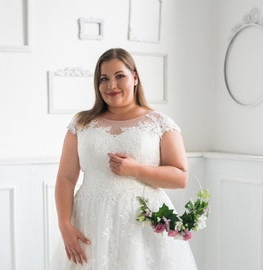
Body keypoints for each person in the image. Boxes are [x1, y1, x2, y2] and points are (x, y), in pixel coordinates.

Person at [54, 48, 198, 269]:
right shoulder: (81, 123)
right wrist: (65, 226)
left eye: (119, 76)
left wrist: (135, 170)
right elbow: (65, 177)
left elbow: (180, 178)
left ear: (135, 78)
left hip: (142, 225)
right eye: (104, 79)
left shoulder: (159, 123)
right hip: (91, 221)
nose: (111, 85)